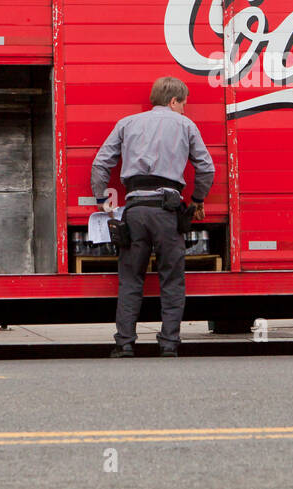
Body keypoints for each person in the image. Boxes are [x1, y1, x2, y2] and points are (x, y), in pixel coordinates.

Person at [91, 76, 214, 357]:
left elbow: (101, 163)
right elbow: (206, 168)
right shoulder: (185, 125)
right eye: (184, 104)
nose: (185, 110)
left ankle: (124, 345)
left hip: (134, 211)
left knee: (131, 278)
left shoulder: (127, 123)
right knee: (172, 279)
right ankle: (169, 345)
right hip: (168, 211)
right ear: (173, 101)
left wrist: (102, 200)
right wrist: (196, 200)